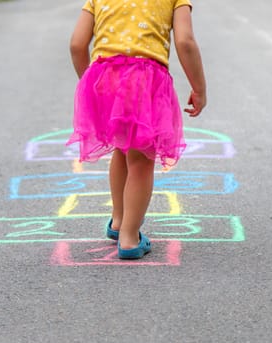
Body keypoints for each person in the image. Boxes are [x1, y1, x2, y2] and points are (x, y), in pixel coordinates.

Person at [67, 0, 207, 259]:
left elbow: (77, 44)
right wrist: (199, 87)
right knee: (142, 159)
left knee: (122, 147)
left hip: (103, 77)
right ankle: (130, 238)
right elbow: (185, 41)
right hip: (143, 79)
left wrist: (90, 84)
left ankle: (119, 220)